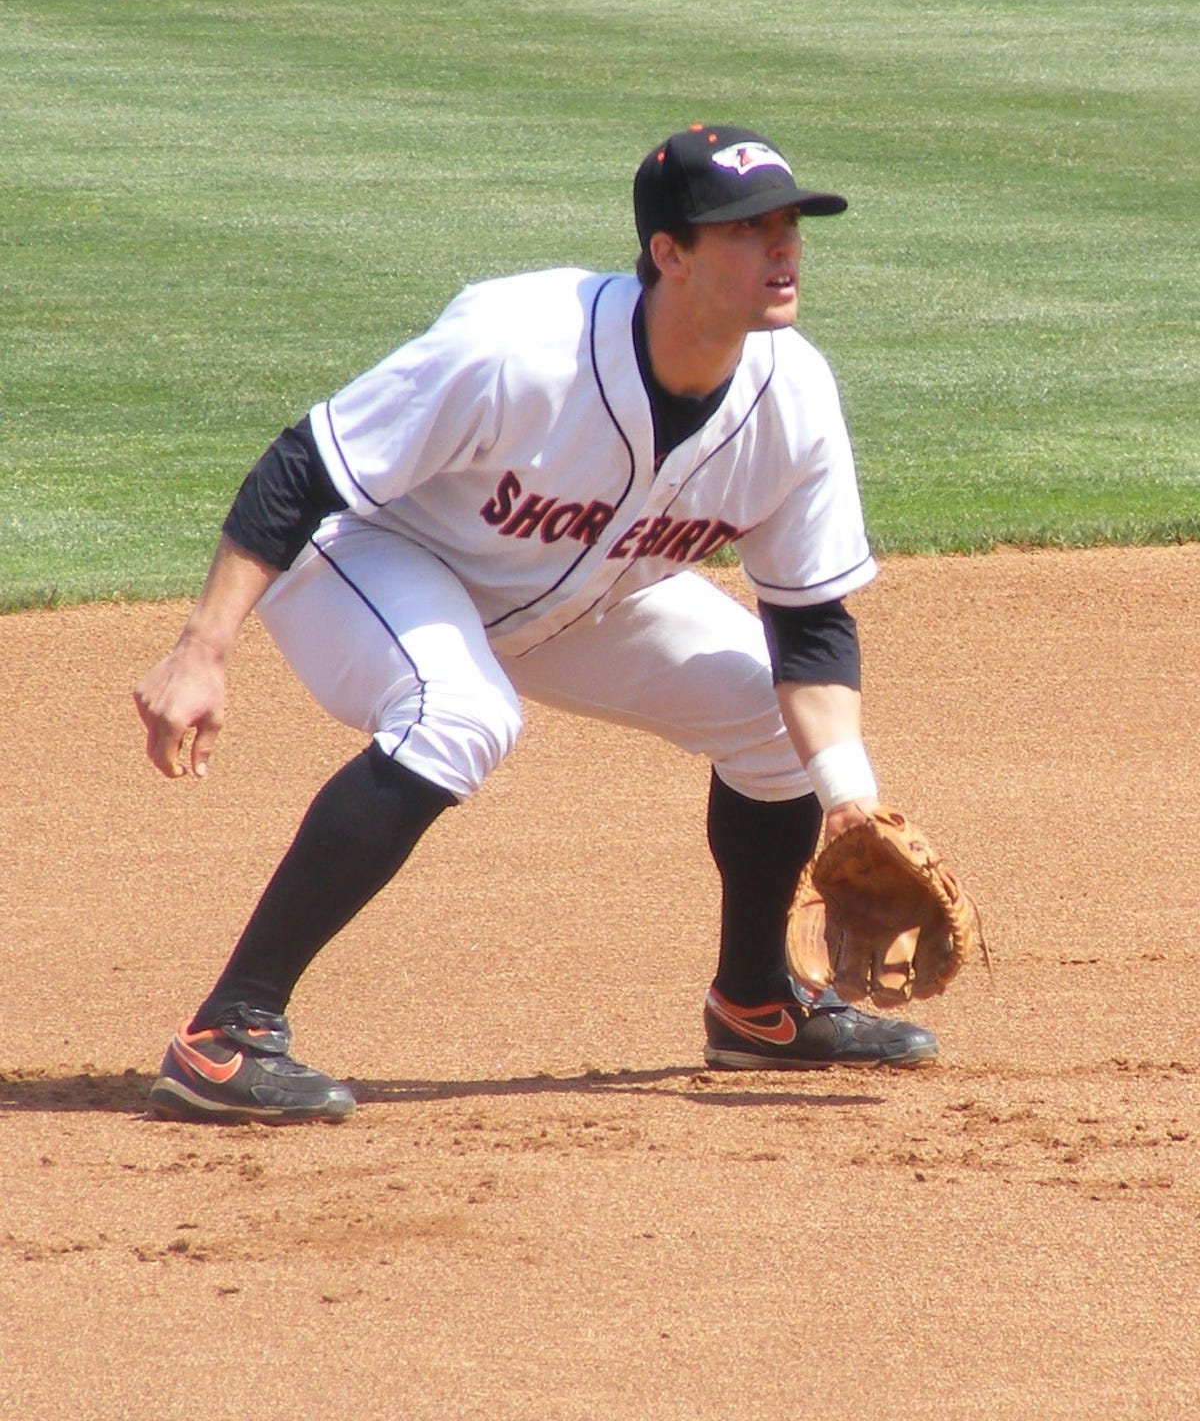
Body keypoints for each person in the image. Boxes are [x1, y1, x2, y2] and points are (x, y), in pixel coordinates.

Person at [134, 122, 939, 1125]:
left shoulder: (795, 398)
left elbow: (810, 628)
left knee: (780, 721)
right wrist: (203, 648)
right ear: (669, 254)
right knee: (461, 711)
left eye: (790, 224)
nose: (783, 247)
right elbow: (306, 466)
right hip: (370, 553)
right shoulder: (516, 346)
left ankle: (757, 1003)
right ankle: (228, 1030)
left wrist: (851, 803)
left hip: (575, 594)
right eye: (747, 228)